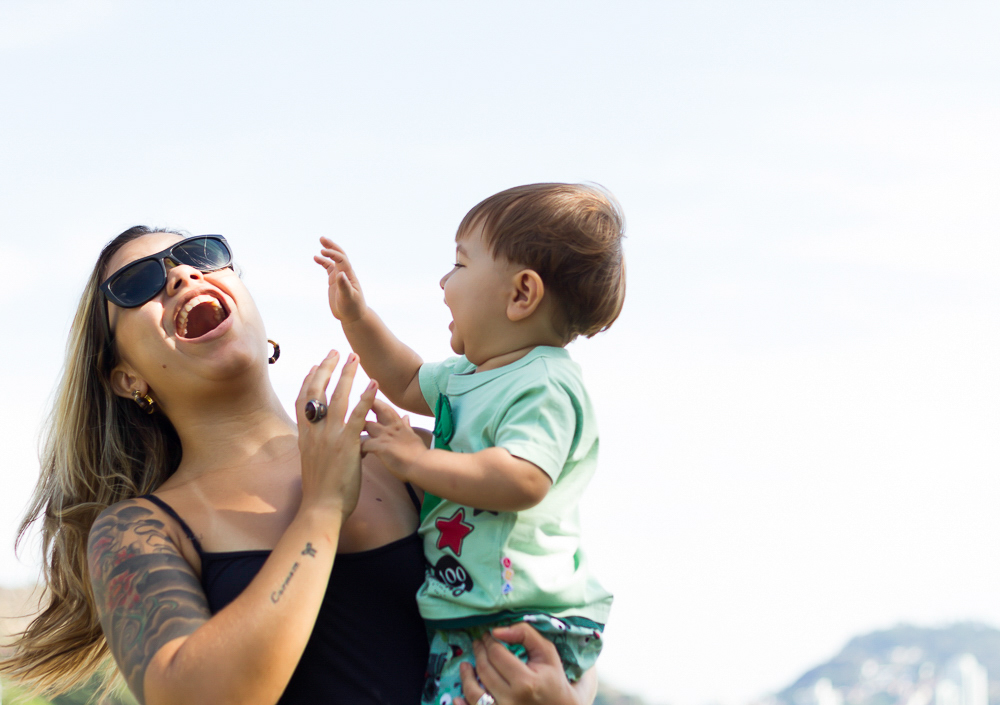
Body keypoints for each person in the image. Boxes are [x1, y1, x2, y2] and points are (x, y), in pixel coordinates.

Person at [0, 226, 599, 705]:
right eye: (135, 284)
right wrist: (320, 510)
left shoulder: (410, 456)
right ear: (126, 377)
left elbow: (547, 591)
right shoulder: (136, 533)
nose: (182, 273)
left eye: (201, 254)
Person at [314, 183, 625, 704]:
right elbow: (407, 378)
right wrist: (356, 316)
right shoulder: (467, 376)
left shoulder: (543, 383)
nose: (442, 282)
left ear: (521, 294)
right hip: (472, 610)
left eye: (459, 265)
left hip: (525, 618)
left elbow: (523, 478)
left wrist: (420, 460)